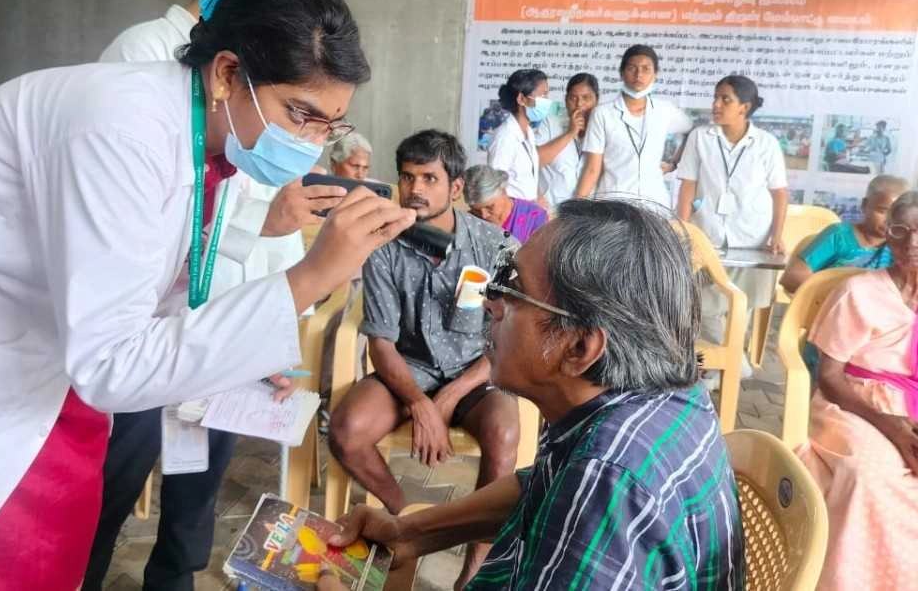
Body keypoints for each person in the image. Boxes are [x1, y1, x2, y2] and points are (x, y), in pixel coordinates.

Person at [0, 0, 416, 589]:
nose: (312, 143)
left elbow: (160, 279)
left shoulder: (209, 137)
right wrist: (311, 276)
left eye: (330, 124)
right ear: (229, 73)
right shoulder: (122, 131)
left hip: (22, 346)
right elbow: (111, 364)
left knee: (52, 544)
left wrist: (243, 352)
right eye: (301, 114)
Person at [317, 199, 744, 591]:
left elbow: (582, 492)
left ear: (578, 347)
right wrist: (408, 532)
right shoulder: (668, 394)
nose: (491, 303)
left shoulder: (606, 478)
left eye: (513, 287)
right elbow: (541, 487)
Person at [83, 0, 326, 591]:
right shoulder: (142, 56)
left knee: (197, 482)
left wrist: (267, 338)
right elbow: (147, 219)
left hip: (219, 318)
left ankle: (173, 579)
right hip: (147, 325)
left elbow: (268, 210)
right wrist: (257, 232)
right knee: (114, 477)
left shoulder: (258, 79)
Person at [329, 130, 519, 589]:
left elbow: (508, 336)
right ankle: (406, 523)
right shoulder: (383, 245)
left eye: (429, 178)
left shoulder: (494, 245)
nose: (415, 189)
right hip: (408, 367)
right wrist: (419, 403)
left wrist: (448, 397)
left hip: (477, 371)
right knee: (346, 431)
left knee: (504, 431)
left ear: (455, 188)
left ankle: (474, 569)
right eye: (407, 177)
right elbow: (382, 343)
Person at [798, 188, 918, 589]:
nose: (913, 242)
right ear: (887, 235)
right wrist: (889, 424)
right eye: (900, 230)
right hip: (856, 408)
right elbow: (830, 377)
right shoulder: (857, 293)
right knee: (867, 477)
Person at [676, 75, 787, 377]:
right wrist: (682, 229)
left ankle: (721, 371)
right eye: (716, 97)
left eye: (725, 99)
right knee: (703, 305)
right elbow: (688, 185)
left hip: (751, 237)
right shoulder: (700, 137)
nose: (716, 104)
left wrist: (777, 235)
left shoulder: (765, 144)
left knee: (742, 306)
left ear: (744, 107)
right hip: (707, 235)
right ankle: (730, 364)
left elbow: (779, 193)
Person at [573, 45, 693, 207]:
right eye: (632, 68)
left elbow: (693, 133)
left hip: (654, 201)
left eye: (646, 69)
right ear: (622, 73)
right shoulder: (603, 113)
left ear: (655, 74)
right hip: (614, 201)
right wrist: (574, 209)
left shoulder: (665, 110)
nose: (639, 75)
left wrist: (673, 163)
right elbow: (592, 169)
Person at [779, 174, 910, 295]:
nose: (890, 220)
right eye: (883, 211)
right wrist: (840, 296)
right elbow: (792, 277)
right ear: (865, 205)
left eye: (898, 214)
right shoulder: (839, 236)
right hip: (830, 306)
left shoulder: (902, 246)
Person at [487, 69, 568, 205]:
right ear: (521, 99)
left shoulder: (528, 131)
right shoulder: (504, 137)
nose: (547, 101)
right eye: (543, 95)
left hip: (529, 211)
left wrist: (538, 199)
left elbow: (527, 178)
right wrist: (518, 211)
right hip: (513, 214)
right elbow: (495, 187)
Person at [536, 73, 594, 209]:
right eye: (573, 98)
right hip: (552, 210)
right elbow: (534, 161)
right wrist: (570, 133)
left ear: (596, 100)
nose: (579, 104)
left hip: (590, 212)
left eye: (586, 98)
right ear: (566, 100)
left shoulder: (604, 127)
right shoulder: (550, 123)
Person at [463, 165, 547, 243]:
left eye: (489, 207)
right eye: (476, 210)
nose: (484, 215)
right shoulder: (468, 221)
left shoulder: (535, 219)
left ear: (503, 192)